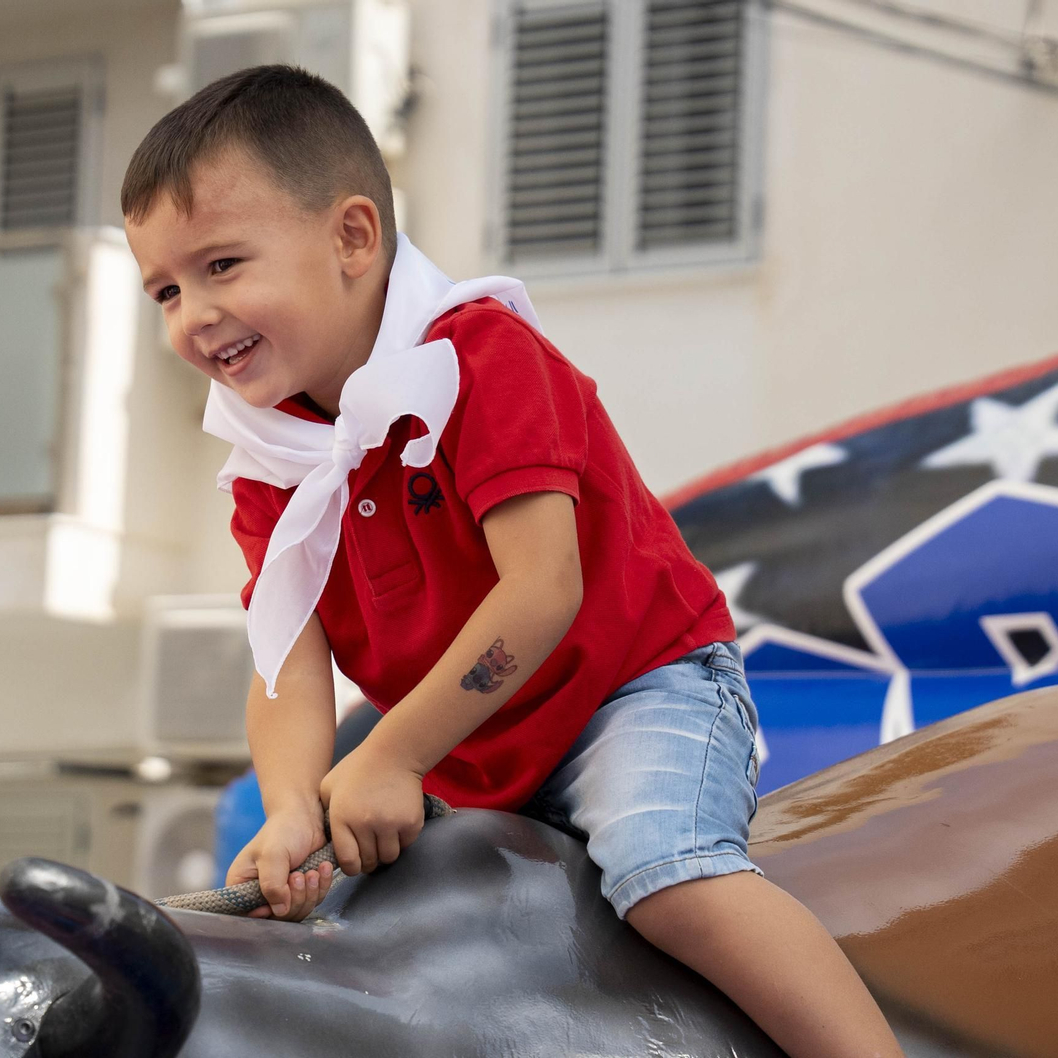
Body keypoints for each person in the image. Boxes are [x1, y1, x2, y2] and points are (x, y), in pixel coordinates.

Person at [122, 64, 903, 1058]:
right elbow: (285, 658)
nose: (190, 313)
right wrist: (288, 805)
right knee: (367, 936)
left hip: (632, 689)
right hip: (472, 742)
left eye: (223, 264)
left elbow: (541, 590)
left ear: (353, 237)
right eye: (164, 288)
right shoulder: (270, 459)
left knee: (663, 866)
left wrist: (393, 754)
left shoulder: (481, 360)